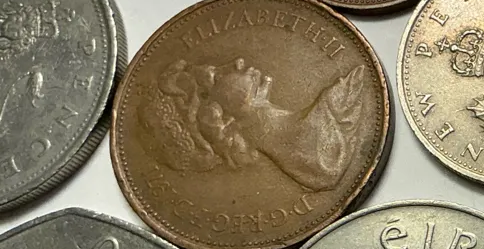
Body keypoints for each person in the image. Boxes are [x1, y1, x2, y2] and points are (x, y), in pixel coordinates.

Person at [140, 58, 365, 192]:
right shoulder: (343, 98)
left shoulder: (335, 108)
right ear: (221, 120)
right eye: (217, 77)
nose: (238, 61)